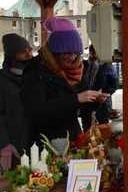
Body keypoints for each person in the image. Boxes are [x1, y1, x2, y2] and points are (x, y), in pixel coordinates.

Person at [21, 18, 107, 144]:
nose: (72, 57)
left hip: (73, 137)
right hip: (45, 142)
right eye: (66, 53)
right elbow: (36, 111)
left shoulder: (78, 68)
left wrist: (94, 101)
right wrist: (76, 98)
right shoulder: (35, 70)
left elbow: (78, 106)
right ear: (54, 52)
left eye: (75, 53)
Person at [0, 33, 32, 171]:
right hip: (10, 147)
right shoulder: (2, 80)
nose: (29, 55)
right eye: (23, 52)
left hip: (34, 145)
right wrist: (4, 144)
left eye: (30, 51)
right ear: (13, 55)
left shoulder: (33, 76)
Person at [79, 45, 118, 131]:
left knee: (103, 129)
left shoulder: (107, 65)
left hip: (101, 105)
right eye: (91, 52)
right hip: (86, 105)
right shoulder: (85, 65)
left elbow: (114, 84)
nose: (92, 55)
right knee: (87, 130)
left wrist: (105, 93)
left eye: (94, 53)